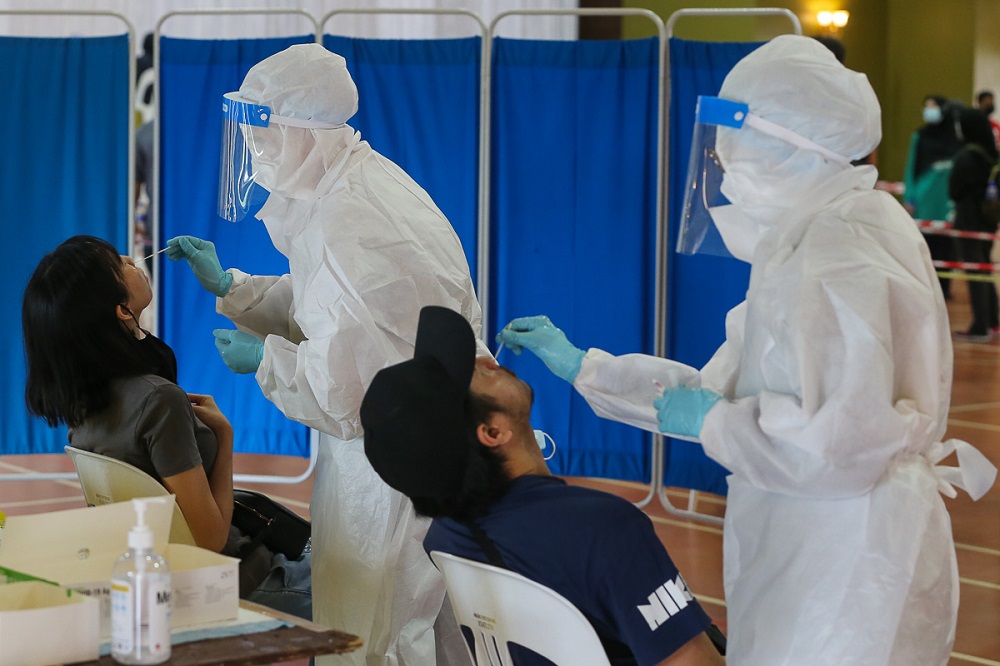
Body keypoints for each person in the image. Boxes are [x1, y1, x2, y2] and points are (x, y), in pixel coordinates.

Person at [498, 36, 997, 665]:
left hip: (848, 552)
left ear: (795, 143)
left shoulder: (836, 248)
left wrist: (712, 421)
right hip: (815, 535)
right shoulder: (820, 235)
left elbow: (839, 439)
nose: (726, 163)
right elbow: (722, 390)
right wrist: (585, 366)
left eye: (740, 140)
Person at [167, 43, 485, 665]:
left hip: (390, 468)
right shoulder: (351, 181)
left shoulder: (350, 220)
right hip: (415, 446)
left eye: (266, 135)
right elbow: (331, 306)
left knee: (374, 636)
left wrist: (265, 360)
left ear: (303, 132)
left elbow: (343, 393)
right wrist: (234, 288)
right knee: (421, 629)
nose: (256, 153)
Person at [360, 306, 726, 666]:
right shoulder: (606, 529)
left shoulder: (445, 536)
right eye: (476, 373)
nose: (489, 361)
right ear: (492, 432)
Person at [21, 235, 311, 619]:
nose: (130, 258)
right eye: (117, 263)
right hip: (242, 583)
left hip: (165, 586)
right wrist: (224, 438)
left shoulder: (81, 408)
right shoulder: (158, 401)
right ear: (123, 310)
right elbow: (208, 541)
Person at [904, 95, 964, 299]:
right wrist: (910, 198)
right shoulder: (920, 136)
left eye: (933, 107)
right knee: (924, 244)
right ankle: (925, 288)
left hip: (946, 200)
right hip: (924, 198)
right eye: (926, 107)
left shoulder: (958, 140)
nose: (929, 111)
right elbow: (911, 167)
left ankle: (944, 289)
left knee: (946, 247)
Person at [950, 107, 1000, 341]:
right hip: (988, 220)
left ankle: (980, 326)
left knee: (975, 270)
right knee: (984, 268)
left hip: (968, 219)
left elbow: (955, 190)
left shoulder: (966, 156)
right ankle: (993, 321)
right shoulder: (993, 155)